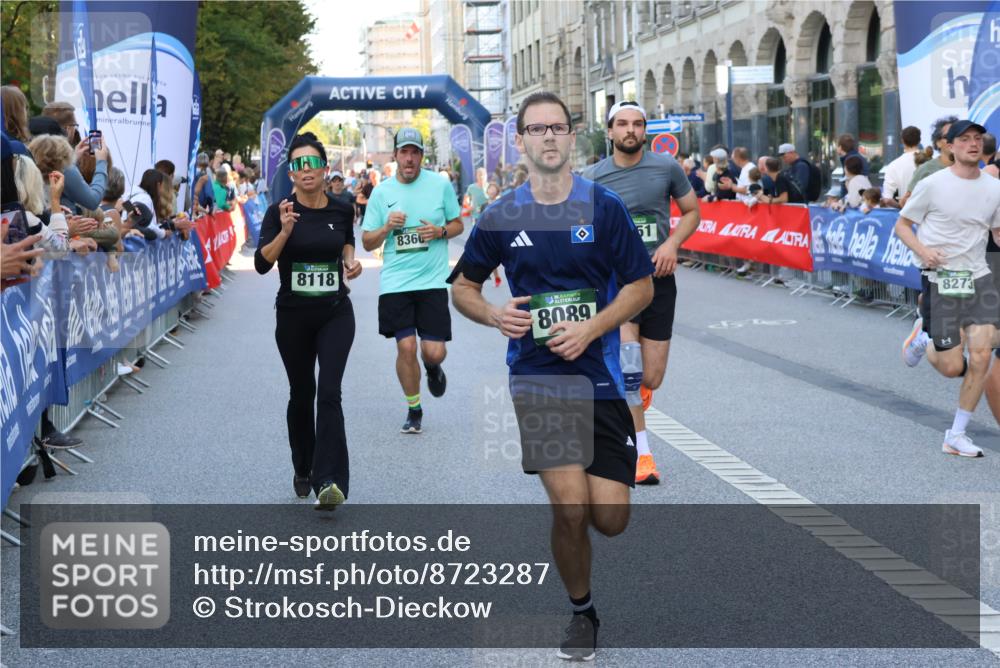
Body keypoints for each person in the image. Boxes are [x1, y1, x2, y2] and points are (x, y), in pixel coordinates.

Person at [449, 91, 654, 662]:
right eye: (536, 129)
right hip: (538, 376)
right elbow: (462, 287)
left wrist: (592, 329)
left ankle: (586, 562)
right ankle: (581, 611)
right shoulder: (501, 214)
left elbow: (642, 286)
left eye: (557, 128)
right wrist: (494, 313)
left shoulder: (603, 207)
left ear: (571, 137)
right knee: (569, 508)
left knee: (609, 519)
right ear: (521, 141)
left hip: (602, 375)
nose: (547, 138)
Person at [582, 100, 700, 485]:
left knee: (652, 375)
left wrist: (672, 244)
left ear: (644, 130)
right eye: (622, 124)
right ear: (610, 131)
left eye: (636, 124)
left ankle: (634, 396)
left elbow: (692, 211)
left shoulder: (665, 168)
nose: (629, 130)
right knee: (631, 371)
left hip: (659, 282)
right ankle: (641, 455)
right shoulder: (593, 177)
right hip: (619, 286)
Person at [254, 132, 362, 510]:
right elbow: (262, 264)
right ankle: (303, 465)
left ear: (324, 167)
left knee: (329, 392)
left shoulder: (341, 207)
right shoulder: (278, 211)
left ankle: (330, 480)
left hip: (335, 311)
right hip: (294, 316)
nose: (305, 170)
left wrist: (350, 260)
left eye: (311, 162)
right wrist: (285, 231)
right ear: (292, 174)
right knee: (302, 395)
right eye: (297, 164)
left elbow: (347, 240)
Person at [897, 120, 1000, 457]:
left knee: (982, 354)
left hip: (979, 277)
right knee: (953, 366)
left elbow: (997, 233)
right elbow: (903, 225)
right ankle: (924, 337)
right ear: (950, 147)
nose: (973, 144)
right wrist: (924, 252)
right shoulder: (933, 184)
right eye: (965, 139)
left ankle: (956, 434)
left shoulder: (994, 188)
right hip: (943, 278)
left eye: (977, 139)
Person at [361, 128, 463, 434]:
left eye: (415, 152)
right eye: (404, 152)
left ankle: (432, 368)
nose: (409, 158)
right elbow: (367, 242)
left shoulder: (439, 185)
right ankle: (414, 408)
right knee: (405, 347)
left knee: (434, 351)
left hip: (432, 281)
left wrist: (440, 232)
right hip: (396, 282)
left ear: (421, 156)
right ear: (395, 156)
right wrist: (385, 230)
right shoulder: (381, 193)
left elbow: (458, 224)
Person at [881, 126, 921, 207]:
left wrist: (901, 207)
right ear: (919, 140)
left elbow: (887, 199)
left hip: (908, 213)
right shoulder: (932, 161)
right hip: (931, 214)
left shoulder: (894, 165)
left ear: (902, 141)